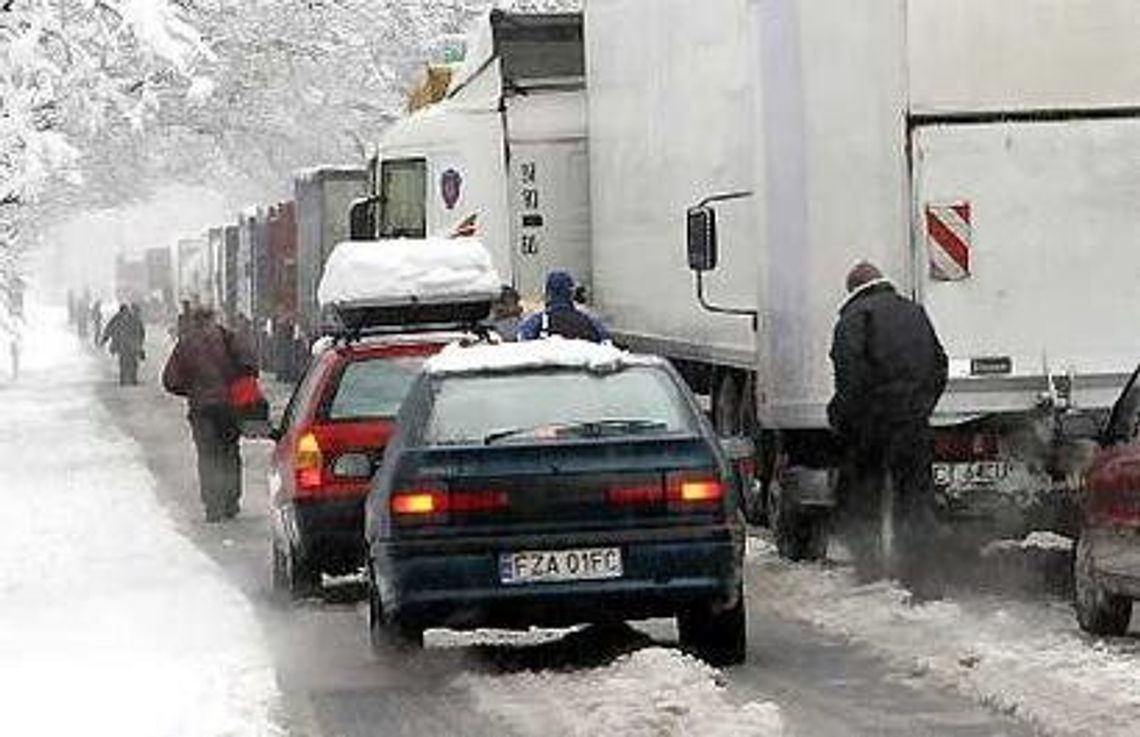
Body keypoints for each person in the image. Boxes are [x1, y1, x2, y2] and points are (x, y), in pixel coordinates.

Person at [827, 261, 948, 599]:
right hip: (914, 424)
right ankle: (921, 578)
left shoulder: (855, 318)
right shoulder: (915, 313)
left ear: (853, 288)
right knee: (915, 502)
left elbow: (850, 378)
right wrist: (923, 405)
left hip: (873, 427)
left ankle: (870, 571)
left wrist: (845, 418)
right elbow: (940, 364)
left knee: (864, 497)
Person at [162, 307, 257, 522]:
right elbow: (250, 364)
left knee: (207, 456)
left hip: (202, 411)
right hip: (229, 408)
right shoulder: (227, 336)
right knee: (230, 452)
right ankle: (231, 501)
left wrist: (192, 391)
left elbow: (170, 380)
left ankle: (213, 506)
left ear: (194, 321)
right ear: (213, 318)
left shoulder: (185, 344)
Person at [517, 271, 609, 342]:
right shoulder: (589, 320)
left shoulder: (537, 321)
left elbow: (523, 339)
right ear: (572, 293)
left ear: (548, 294)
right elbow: (605, 339)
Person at [100, 303, 145, 385]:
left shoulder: (134, 319)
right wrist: (104, 340)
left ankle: (132, 378)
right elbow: (109, 329)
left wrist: (140, 344)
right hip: (122, 345)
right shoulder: (117, 318)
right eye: (123, 312)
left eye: (126, 311)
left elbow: (141, 331)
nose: (125, 313)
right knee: (124, 362)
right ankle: (124, 379)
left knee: (133, 362)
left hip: (132, 344)